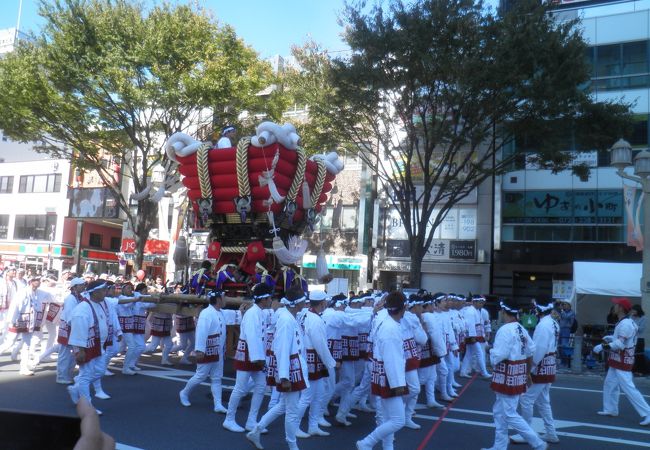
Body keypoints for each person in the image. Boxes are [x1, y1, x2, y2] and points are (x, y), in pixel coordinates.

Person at [246, 286, 309, 450]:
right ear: (296, 303)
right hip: (289, 368)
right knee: (292, 410)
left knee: (283, 406)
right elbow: (282, 349)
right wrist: (284, 376)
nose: (305, 303)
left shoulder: (289, 316)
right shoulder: (286, 320)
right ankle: (292, 445)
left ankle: (256, 430)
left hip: (291, 366)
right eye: (303, 300)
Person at [481, 299, 546, 450]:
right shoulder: (521, 328)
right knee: (499, 411)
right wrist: (528, 372)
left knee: (509, 413)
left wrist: (488, 349)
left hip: (507, 373)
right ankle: (499, 446)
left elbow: (498, 356)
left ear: (504, 312)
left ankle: (537, 443)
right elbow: (531, 351)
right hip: (517, 371)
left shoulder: (505, 330)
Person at [356, 291, 408, 450]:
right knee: (399, 420)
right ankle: (367, 442)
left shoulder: (386, 321)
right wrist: (398, 385)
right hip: (389, 378)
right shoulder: (390, 328)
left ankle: (387, 447)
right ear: (404, 307)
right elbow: (392, 360)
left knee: (387, 418)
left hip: (382, 374)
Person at [224, 283, 273, 433]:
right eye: (270, 297)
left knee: (260, 387)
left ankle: (251, 421)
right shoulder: (253, 313)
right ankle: (229, 419)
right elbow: (252, 337)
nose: (271, 299)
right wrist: (259, 358)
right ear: (264, 299)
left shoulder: (260, 312)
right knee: (240, 388)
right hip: (248, 354)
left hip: (256, 354)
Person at [510, 299, 560, 444]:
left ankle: (527, 434)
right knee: (543, 401)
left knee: (526, 399)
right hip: (549, 364)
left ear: (538, 310)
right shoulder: (553, 323)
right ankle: (551, 432)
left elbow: (539, 350)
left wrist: (530, 369)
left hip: (541, 365)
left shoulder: (543, 325)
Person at [593, 297, 650, 426]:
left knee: (628, 388)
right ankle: (610, 409)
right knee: (610, 384)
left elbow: (620, 344)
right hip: (618, 359)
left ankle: (648, 412)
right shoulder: (626, 322)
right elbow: (623, 340)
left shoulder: (625, 324)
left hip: (622, 359)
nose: (614, 306)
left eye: (616, 305)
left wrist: (601, 347)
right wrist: (611, 338)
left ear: (621, 308)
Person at [295, 290, 337, 437]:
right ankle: (294, 427)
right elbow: (320, 344)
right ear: (322, 303)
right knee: (307, 396)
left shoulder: (305, 314)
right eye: (325, 301)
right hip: (312, 359)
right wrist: (331, 362)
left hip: (310, 358)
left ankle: (313, 425)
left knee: (319, 394)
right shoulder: (315, 319)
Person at [66, 280, 112, 415]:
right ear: (96, 292)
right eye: (104, 290)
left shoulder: (99, 304)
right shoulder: (83, 309)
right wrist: (80, 351)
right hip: (86, 346)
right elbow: (77, 331)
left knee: (100, 372)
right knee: (86, 376)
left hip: (98, 345)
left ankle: (76, 389)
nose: (106, 292)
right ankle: (87, 407)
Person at [179, 289, 226, 411]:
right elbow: (201, 332)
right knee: (200, 375)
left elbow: (234, 316)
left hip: (218, 350)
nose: (225, 299)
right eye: (223, 297)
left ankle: (218, 404)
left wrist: (242, 312)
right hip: (207, 349)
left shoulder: (220, 312)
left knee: (216, 377)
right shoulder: (206, 313)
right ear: (218, 299)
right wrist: (199, 350)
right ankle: (184, 393)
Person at [0, 276, 45, 375]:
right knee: (10, 342)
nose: (38, 282)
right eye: (35, 280)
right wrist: (12, 320)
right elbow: (15, 306)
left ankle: (23, 367)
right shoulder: (23, 292)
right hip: (18, 320)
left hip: (29, 322)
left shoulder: (36, 293)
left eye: (39, 280)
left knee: (27, 345)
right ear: (31, 281)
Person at [56, 277, 87, 384]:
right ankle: (61, 376)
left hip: (73, 327)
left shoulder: (79, 297)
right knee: (65, 353)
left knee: (73, 353)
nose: (83, 286)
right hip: (68, 327)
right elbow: (70, 316)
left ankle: (67, 375)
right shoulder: (71, 299)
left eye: (83, 284)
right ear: (74, 287)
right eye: (81, 285)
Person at [630, 304, 647, 375]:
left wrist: (633, 325)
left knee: (639, 355)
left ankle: (641, 371)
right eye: (632, 310)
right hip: (632, 338)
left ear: (638, 310)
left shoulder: (644, 318)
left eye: (634, 310)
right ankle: (634, 370)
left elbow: (641, 329)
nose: (633, 312)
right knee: (632, 355)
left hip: (640, 338)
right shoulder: (631, 317)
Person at [558, 301, 575, 368]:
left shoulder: (572, 313)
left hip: (566, 330)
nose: (564, 306)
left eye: (565, 304)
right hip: (560, 329)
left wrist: (562, 310)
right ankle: (562, 361)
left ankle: (565, 362)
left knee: (564, 345)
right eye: (563, 304)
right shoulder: (562, 312)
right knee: (559, 346)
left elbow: (567, 317)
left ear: (569, 305)